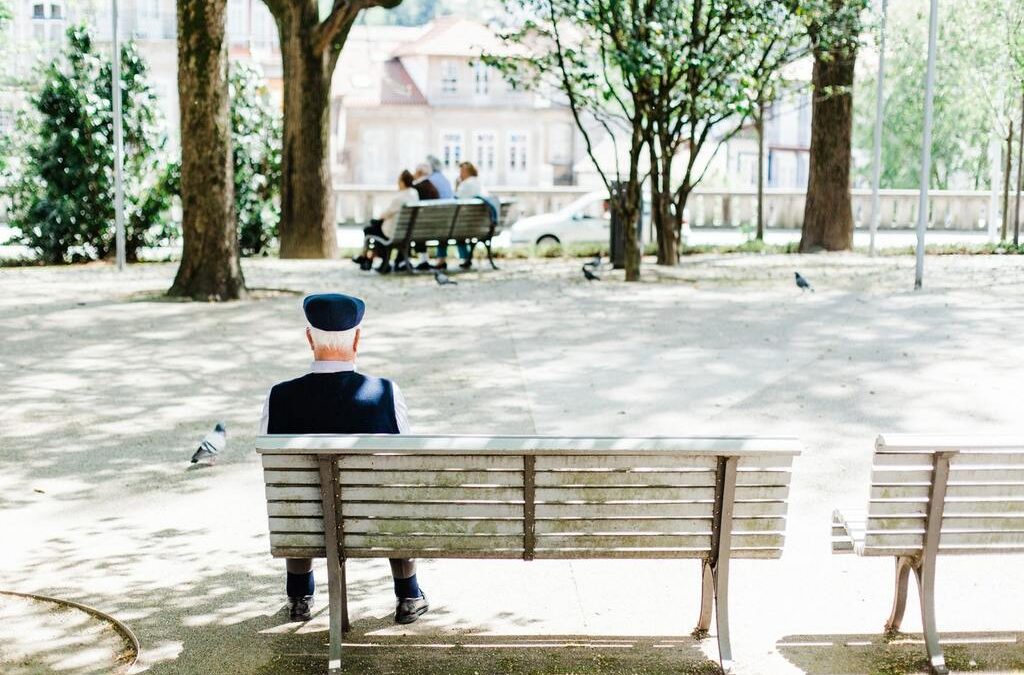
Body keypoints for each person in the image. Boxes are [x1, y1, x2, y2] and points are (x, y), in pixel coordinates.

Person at [260, 293, 429, 625]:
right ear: (358, 338)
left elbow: (272, 465)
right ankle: (408, 594)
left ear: (310, 339)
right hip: (373, 523)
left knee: (296, 495)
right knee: (393, 491)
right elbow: (404, 460)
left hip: (306, 525)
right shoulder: (385, 392)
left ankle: (298, 597)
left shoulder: (279, 396)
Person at [353, 170, 418, 272]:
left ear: (402, 182)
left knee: (370, 228)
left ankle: (367, 257)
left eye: (399, 180)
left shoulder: (399, 199)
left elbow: (384, 215)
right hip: (407, 232)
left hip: (393, 233)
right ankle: (367, 258)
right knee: (373, 227)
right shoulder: (414, 194)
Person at [435, 161, 483, 270]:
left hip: (463, 222)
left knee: (444, 231)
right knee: (457, 232)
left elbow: (455, 200)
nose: (460, 174)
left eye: (461, 171)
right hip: (474, 223)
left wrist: (457, 186)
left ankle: (441, 259)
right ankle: (466, 257)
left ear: (467, 172)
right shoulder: (478, 183)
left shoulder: (465, 184)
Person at [406, 163, 441, 271]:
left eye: (415, 172)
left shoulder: (416, 188)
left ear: (419, 173)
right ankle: (424, 260)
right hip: (433, 226)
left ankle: (403, 260)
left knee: (407, 227)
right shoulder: (433, 188)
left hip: (420, 227)